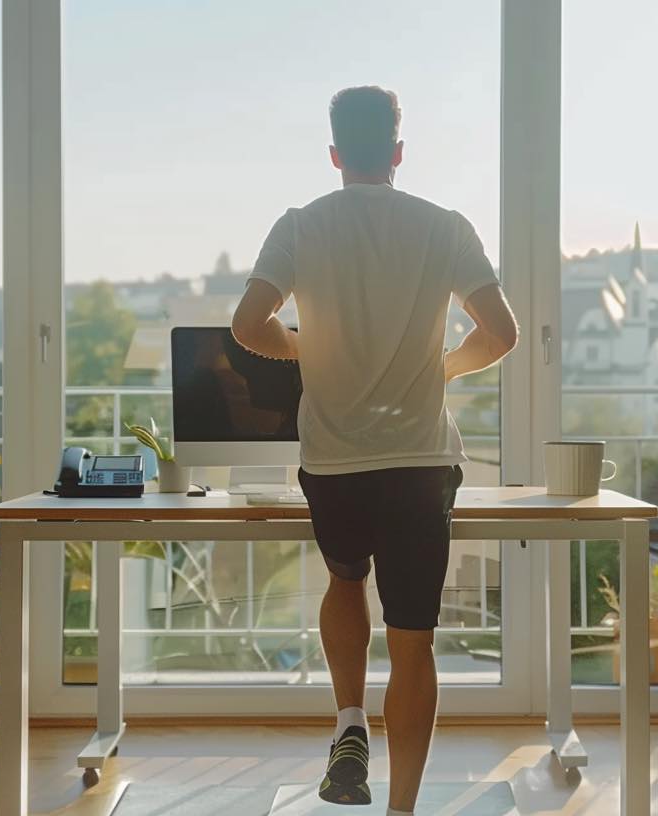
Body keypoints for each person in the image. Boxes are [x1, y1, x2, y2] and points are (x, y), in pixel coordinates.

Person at [231, 86, 518, 815]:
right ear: (397, 152)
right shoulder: (444, 226)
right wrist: (444, 365)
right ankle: (402, 809)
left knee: (345, 579)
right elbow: (502, 333)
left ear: (334, 155)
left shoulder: (300, 226)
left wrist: (304, 349)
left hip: (333, 463)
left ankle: (349, 721)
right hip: (421, 463)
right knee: (413, 640)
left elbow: (245, 324)